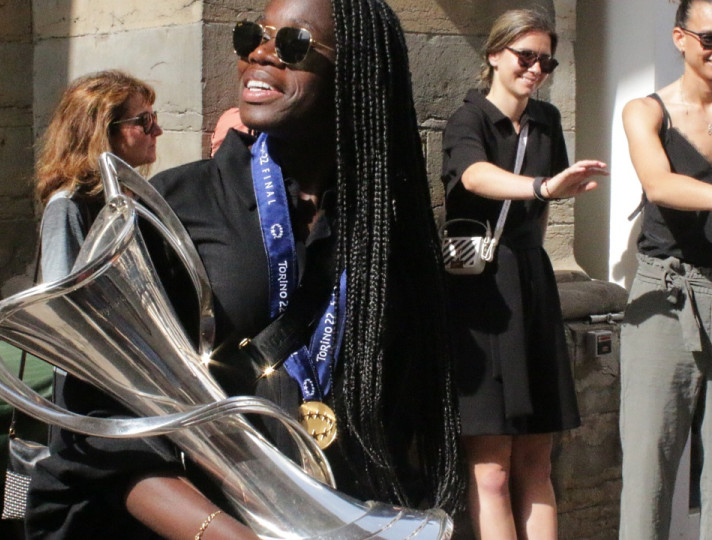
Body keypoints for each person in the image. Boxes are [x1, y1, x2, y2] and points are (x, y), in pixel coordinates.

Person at [27, 0, 464, 538]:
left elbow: (409, 412)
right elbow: (101, 419)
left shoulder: (386, 230)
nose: (260, 53)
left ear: (357, 73)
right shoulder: (172, 207)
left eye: (293, 44)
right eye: (250, 36)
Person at [440, 9, 607, 540]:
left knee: (538, 458)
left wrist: (556, 187)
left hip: (531, 284)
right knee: (491, 468)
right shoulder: (468, 119)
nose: (535, 69)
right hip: (482, 292)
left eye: (546, 61)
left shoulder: (548, 120)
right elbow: (473, 174)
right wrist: (540, 187)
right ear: (494, 55)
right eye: (525, 56)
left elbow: (549, 189)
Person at [25, 70, 166, 538]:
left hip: (139, 390)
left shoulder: (128, 198)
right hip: (97, 401)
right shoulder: (70, 205)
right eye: (143, 122)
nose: (157, 131)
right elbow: (66, 317)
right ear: (101, 131)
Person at [620, 1, 712, 537]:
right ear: (680, 38)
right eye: (710, 38)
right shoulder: (646, 110)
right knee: (650, 471)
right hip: (667, 293)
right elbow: (660, 184)